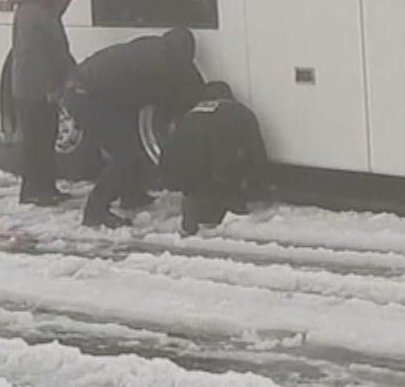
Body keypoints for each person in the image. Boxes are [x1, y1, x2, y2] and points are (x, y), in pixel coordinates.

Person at [62, 26, 205, 228]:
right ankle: (95, 210)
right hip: (88, 97)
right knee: (124, 155)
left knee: (130, 141)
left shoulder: (150, 47)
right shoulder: (165, 63)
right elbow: (169, 99)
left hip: (81, 91)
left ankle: (131, 194)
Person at [160, 81, 269, 235]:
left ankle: (194, 216)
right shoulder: (240, 112)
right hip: (220, 178)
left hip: (182, 178)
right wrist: (256, 184)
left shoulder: (187, 115)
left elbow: (170, 152)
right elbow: (257, 152)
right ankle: (227, 211)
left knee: (198, 199)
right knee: (223, 204)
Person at [7, 0, 76, 206]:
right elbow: (31, 56)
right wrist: (47, 88)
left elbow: (59, 6)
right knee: (36, 143)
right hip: (32, 90)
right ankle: (32, 192)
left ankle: (46, 188)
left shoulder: (42, 6)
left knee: (47, 140)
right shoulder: (32, 12)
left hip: (39, 88)